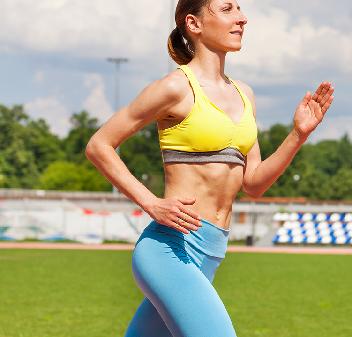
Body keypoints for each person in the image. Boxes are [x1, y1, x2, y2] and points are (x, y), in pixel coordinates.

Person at [85, 0, 334, 336]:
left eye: (240, 9)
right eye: (227, 9)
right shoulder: (175, 87)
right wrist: (151, 202)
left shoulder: (244, 94)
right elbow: (99, 145)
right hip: (169, 250)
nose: (242, 18)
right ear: (194, 23)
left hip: (211, 253)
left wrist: (298, 135)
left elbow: (254, 183)